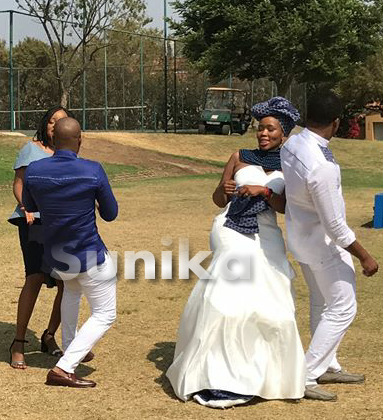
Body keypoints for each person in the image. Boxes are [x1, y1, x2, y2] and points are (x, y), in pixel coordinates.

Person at [166, 97, 306, 408]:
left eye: (270, 129)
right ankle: (214, 374)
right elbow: (218, 198)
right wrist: (224, 190)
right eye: (260, 129)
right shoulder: (239, 156)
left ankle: (263, 371)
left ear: (284, 133)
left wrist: (265, 192)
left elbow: (287, 207)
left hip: (267, 231)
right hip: (229, 229)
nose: (263, 134)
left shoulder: (290, 165)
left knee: (272, 298)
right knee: (227, 300)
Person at [281, 90, 379, 402]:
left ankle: (328, 365)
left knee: (322, 304)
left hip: (301, 238)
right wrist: (365, 256)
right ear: (336, 123)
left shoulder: (294, 142)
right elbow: (335, 225)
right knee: (344, 307)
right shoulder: (321, 166)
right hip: (323, 245)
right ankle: (307, 374)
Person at [22, 117, 118, 388]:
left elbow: (30, 204)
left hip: (55, 254)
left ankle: (71, 347)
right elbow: (110, 214)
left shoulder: (34, 170)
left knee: (73, 292)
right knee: (105, 313)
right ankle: (64, 367)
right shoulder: (93, 170)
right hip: (87, 254)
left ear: (53, 140)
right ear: (80, 140)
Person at [8, 106, 70, 369]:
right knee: (34, 277)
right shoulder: (31, 150)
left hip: (60, 223)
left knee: (66, 282)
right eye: (52, 121)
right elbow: (18, 183)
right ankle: (19, 342)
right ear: (45, 124)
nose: (56, 125)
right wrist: (26, 207)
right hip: (32, 220)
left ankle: (49, 336)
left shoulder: (67, 153)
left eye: (62, 121)